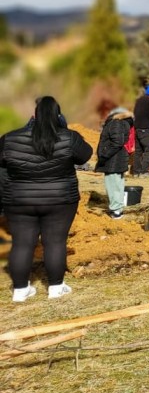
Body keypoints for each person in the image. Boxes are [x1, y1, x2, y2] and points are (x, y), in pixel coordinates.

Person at [0, 97, 92, 301]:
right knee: (55, 242)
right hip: (60, 199)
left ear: (34, 115)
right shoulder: (69, 137)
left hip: (19, 199)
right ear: (58, 116)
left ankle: (20, 291)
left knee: (22, 243)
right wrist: (65, 129)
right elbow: (85, 155)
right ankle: (55, 288)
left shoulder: (10, 138)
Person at [95, 105, 133, 219]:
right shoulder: (121, 122)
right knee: (117, 184)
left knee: (113, 185)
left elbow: (117, 142)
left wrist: (104, 154)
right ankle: (117, 209)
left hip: (113, 160)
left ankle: (116, 211)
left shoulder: (116, 122)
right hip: (116, 159)